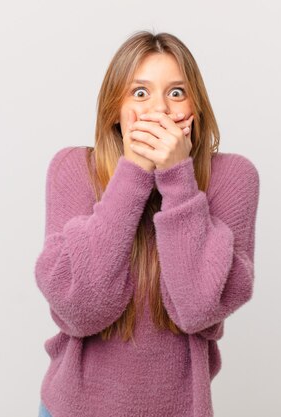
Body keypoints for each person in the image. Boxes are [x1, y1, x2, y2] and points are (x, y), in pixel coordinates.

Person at [34, 30, 260, 417]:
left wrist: (177, 176)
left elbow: (197, 309)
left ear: (196, 107)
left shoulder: (234, 177)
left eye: (176, 93)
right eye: (140, 93)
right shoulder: (73, 168)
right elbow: (81, 309)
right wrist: (135, 170)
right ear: (114, 111)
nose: (159, 110)